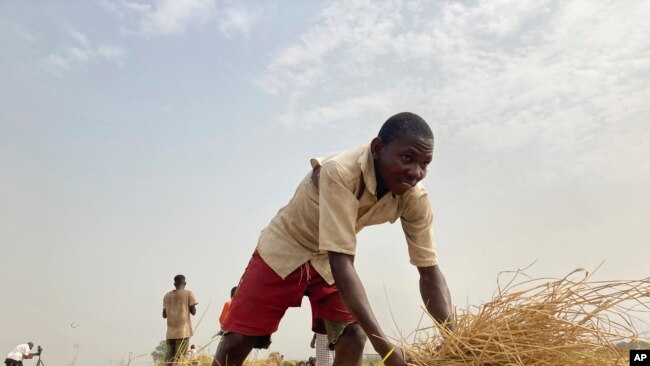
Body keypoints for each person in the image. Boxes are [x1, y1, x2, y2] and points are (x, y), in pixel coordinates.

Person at [212, 112, 453, 366]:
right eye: (407, 158)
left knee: (353, 335)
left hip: (327, 261)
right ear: (378, 148)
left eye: (425, 163)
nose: (416, 172)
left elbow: (429, 271)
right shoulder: (340, 172)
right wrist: (387, 351)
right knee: (239, 338)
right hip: (285, 249)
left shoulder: (415, 197)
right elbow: (342, 262)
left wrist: (455, 338)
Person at [163, 274, 198, 364]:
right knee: (180, 361)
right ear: (185, 283)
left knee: (170, 362)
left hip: (170, 333)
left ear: (174, 284)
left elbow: (164, 315)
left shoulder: (167, 296)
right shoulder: (188, 294)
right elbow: (193, 312)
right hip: (182, 332)